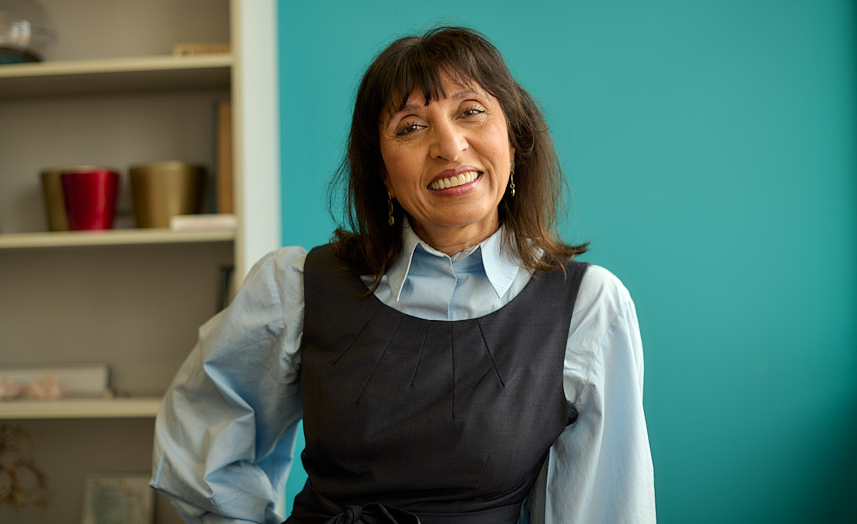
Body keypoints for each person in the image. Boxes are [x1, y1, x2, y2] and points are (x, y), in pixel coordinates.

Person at [150, 26, 655, 524]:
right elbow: (199, 438)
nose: (450, 146)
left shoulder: (586, 307)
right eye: (411, 127)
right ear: (382, 173)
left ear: (514, 137)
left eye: (470, 111)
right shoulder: (297, 287)